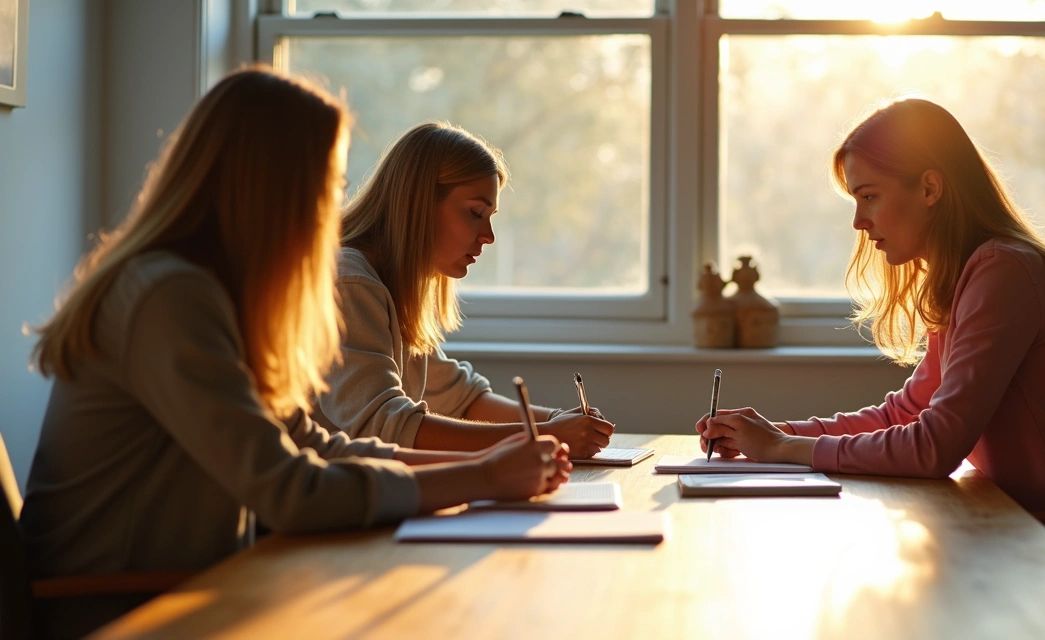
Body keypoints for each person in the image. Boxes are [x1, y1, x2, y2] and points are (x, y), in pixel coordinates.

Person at [19, 68, 568, 637]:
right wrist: (481, 477)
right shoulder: (167, 296)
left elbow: (315, 447)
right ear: (271, 186)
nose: (333, 209)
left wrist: (485, 469)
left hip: (196, 589)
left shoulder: (213, 294)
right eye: (326, 186)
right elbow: (291, 491)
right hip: (118, 612)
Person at [696, 98, 1045, 516]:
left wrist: (780, 448)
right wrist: (780, 433)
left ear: (930, 187)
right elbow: (906, 414)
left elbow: (934, 447)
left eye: (869, 196)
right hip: (1027, 532)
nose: (858, 221)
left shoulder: (1003, 273)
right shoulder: (968, 275)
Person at [314, 122, 615, 459]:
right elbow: (386, 426)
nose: (488, 235)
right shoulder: (350, 283)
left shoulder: (390, 286)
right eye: (475, 212)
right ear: (418, 203)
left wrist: (557, 421)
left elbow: (461, 399)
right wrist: (543, 435)